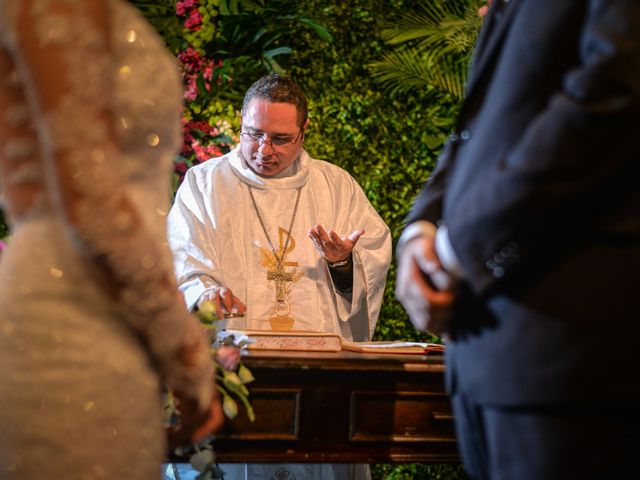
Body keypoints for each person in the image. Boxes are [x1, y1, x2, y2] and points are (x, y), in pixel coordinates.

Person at [395, 1, 640, 479]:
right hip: (490, 359)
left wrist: (458, 248)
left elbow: (616, 87)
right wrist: (420, 230)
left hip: (573, 348)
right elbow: (473, 131)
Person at [0, 1, 222, 478]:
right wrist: (188, 358)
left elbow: (21, 190)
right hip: (85, 307)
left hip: (63, 284)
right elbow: (95, 210)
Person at [168, 74, 391, 480]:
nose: (263, 149)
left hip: (315, 380)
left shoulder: (335, 186)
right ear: (240, 123)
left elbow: (371, 257)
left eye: (280, 138)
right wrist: (205, 293)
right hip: (231, 373)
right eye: (253, 134)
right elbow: (182, 264)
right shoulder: (204, 184)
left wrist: (343, 264)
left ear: (304, 133)